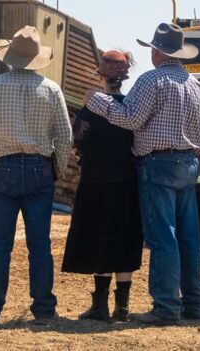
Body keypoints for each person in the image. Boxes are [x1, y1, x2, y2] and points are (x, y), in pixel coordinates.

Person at [85, 23, 200, 325]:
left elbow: (130, 118)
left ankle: (166, 307)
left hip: (157, 164)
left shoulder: (151, 80)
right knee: (188, 237)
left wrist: (96, 100)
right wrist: (196, 151)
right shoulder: (194, 84)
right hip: (187, 164)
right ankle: (194, 304)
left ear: (158, 51)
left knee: (163, 238)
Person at [0, 25, 74, 327]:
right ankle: (43, 310)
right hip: (40, 168)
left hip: (3, 167)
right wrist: (57, 168)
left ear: (9, 56)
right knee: (39, 245)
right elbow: (65, 137)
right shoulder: (52, 89)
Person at [62, 49, 143, 322]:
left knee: (99, 240)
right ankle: (123, 307)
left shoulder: (91, 108)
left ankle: (100, 306)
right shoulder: (131, 107)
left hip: (95, 180)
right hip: (127, 182)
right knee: (123, 240)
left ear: (101, 76)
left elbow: (77, 143)